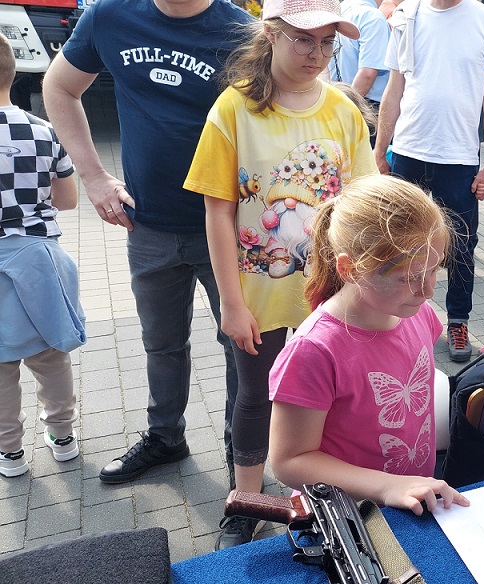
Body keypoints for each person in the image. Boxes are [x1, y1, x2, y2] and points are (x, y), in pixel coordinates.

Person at [183, 0, 374, 549]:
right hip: (257, 291)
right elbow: (217, 211)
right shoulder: (234, 109)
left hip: (328, 290)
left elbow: (361, 200)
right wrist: (231, 302)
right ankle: (246, 501)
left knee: (325, 394)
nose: (317, 54)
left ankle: (321, 494)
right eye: (304, 39)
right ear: (271, 34)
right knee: (254, 395)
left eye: (328, 42)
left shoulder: (342, 110)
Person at [42, 0, 252, 485]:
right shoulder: (110, 16)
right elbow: (59, 86)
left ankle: (242, 452)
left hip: (227, 229)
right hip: (148, 227)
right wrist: (93, 177)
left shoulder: (242, 32)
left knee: (241, 346)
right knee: (161, 343)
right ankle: (165, 437)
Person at [267, 174, 470, 515]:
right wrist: (387, 486)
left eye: (435, 269)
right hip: (346, 515)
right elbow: (289, 460)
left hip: (409, 499)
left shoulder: (415, 312)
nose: (428, 290)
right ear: (350, 269)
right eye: (408, 278)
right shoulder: (314, 350)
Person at [375, 0, 484, 363]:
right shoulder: (407, 15)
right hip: (408, 152)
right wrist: (380, 147)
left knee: (461, 248)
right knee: (396, 243)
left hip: (458, 158)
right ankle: (393, 317)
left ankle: (458, 321)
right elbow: (394, 89)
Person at [0, 35, 84, 479]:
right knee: (50, 356)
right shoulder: (42, 130)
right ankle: (63, 437)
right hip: (38, 262)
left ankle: (10, 452)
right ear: (12, 73)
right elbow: (67, 199)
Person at [329, 0, 391, 147]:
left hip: (338, 99)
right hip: (364, 107)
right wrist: (348, 107)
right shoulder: (373, 17)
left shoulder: (339, 10)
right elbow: (368, 73)